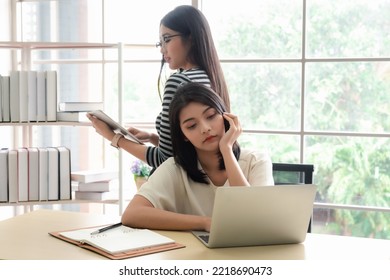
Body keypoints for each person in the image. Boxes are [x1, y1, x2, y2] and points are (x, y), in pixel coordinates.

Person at [87, 5, 230, 169]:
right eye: (160, 43)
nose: (162, 49)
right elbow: (188, 149)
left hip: (173, 189)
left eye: (167, 39)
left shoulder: (178, 82)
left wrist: (113, 137)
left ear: (191, 37)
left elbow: (165, 161)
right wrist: (152, 137)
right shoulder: (211, 76)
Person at [121, 83, 274, 232]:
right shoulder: (175, 168)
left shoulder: (257, 161)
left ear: (226, 117)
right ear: (184, 135)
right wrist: (206, 223)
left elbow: (255, 218)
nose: (205, 128)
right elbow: (132, 214)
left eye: (211, 116)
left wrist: (226, 150)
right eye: (192, 126)